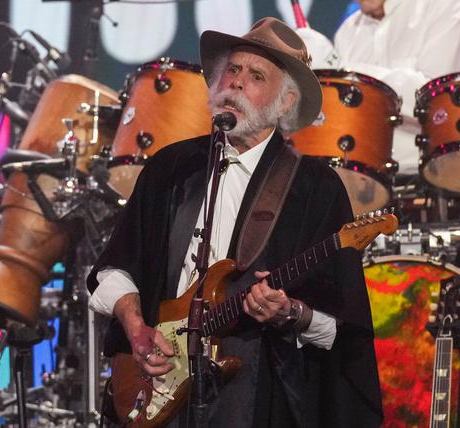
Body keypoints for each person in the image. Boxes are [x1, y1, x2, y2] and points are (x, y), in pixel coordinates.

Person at [86, 17, 383, 428]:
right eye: (233, 69)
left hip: (258, 395)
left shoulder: (315, 188)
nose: (237, 82)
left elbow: (341, 328)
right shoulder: (172, 167)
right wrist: (135, 327)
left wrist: (290, 312)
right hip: (159, 382)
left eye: (256, 75)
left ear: (285, 102)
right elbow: (114, 269)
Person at [296, 0, 460, 176]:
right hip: (363, 183)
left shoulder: (450, 8)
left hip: (436, 182)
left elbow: (434, 103)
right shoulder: (348, 32)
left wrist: (343, 72)